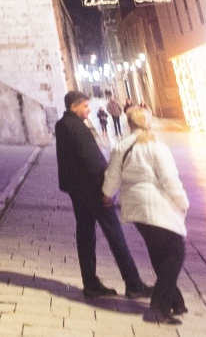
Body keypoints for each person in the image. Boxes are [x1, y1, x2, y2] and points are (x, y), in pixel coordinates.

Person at [55, 90, 151, 300]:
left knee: (85, 234)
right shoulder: (77, 128)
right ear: (74, 106)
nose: (88, 110)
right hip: (92, 189)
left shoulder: (62, 125)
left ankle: (90, 283)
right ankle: (133, 283)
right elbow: (93, 161)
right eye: (85, 106)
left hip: (76, 189)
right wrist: (107, 189)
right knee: (115, 233)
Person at [103, 105, 190, 326]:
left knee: (159, 252)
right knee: (175, 252)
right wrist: (182, 202)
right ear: (147, 122)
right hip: (155, 202)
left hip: (134, 206)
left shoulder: (121, 146)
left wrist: (107, 194)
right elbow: (170, 179)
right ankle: (160, 307)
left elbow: (111, 175)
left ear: (130, 123)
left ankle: (175, 300)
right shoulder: (155, 146)